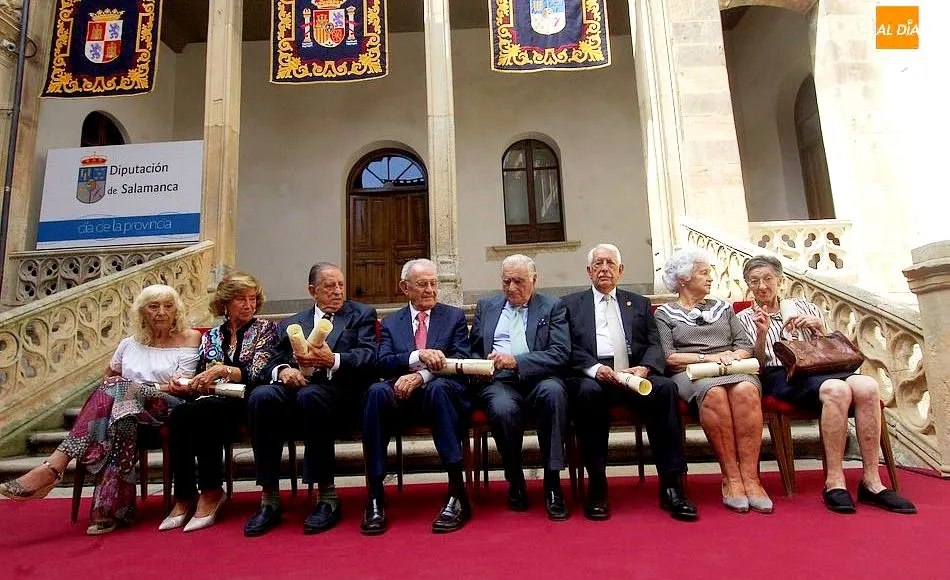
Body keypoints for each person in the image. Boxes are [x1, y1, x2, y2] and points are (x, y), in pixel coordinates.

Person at [0, 284, 201, 535]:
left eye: (168, 306)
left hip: (167, 408)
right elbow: (107, 376)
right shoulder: (129, 344)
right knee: (119, 420)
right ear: (142, 312)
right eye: (154, 306)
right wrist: (121, 387)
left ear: (177, 310)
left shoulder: (190, 338)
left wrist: (132, 386)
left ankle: (54, 466)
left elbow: (182, 385)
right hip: (127, 412)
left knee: (119, 388)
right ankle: (111, 509)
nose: (161, 312)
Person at [736, 255, 916, 514]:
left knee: (868, 387)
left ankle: (872, 482)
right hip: (779, 375)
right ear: (748, 285)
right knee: (837, 389)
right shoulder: (744, 319)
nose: (762, 286)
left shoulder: (805, 307)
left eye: (767, 279)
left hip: (820, 368)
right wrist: (762, 332)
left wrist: (819, 329)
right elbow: (757, 366)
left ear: (780, 281)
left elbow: (831, 350)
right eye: (754, 281)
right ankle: (834, 481)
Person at [563, 244, 696, 521]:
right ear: (589, 272)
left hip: (635, 376)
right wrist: (596, 369)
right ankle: (597, 486)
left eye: (610, 263)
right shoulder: (570, 305)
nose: (604, 269)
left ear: (620, 270)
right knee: (586, 394)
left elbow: (654, 343)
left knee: (666, 389)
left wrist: (646, 368)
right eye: (598, 264)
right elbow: (568, 348)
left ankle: (672, 486)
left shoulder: (638, 303)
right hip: (595, 377)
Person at [244, 262, 377, 537]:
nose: (338, 291)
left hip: (337, 394)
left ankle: (326, 495)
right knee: (261, 396)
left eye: (341, 285)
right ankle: (269, 497)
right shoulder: (292, 323)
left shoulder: (360, 315)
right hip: (295, 389)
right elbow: (269, 361)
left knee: (312, 396)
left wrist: (334, 360)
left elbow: (368, 355)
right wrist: (283, 371)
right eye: (330, 286)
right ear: (312, 290)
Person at [654, 249, 773, 514]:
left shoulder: (723, 307)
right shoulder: (665, 313)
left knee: (746, 389)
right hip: (691, 373)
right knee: (716, 393)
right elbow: (668, 357)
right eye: (704, 272)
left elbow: (744, 345)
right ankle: (731, 479)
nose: (710, 278)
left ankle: (751, 479)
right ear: (684, 279)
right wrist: (707, 358)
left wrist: (732, 355)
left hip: (733, 367)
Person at [160, 272, 279, 532]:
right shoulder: (211, 336)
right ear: (224, 303)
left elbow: (257, 373)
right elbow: (203, 375)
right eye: (240, 299)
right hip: (213, 401)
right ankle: (184, 496)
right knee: (180, 415)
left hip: (250, 401)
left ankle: (212, 491)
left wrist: (222, 370)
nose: (248, 305)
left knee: (207, 410)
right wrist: (186, 383)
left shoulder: (266, 329)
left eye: (252, 299)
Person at [362, 259, 473, 535]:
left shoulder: (454, 317)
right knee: (376, 392)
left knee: (439, 389)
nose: (430, 290)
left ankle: (457, 494)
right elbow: (383, 361)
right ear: (405, 287)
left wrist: (422, 375)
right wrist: (417, 356)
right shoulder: (391, 322)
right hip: (402, 397)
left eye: (433, 284)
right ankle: (375, 495)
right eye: (422, 284)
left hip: (442, 394)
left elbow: (462, 360)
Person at [469, 254, 571, 521]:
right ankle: (515, 479)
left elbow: (560, 353)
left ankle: (552, 484)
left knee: (554, 394)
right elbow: (474, 350)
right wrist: (483, 367)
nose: (512, 288)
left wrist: (517, 361)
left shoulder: (552, 307)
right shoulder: (486, 307)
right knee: (501, 409)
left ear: (534, 280)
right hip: (499, 381)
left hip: (539, 378)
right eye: (506, 282)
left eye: (518, 281)